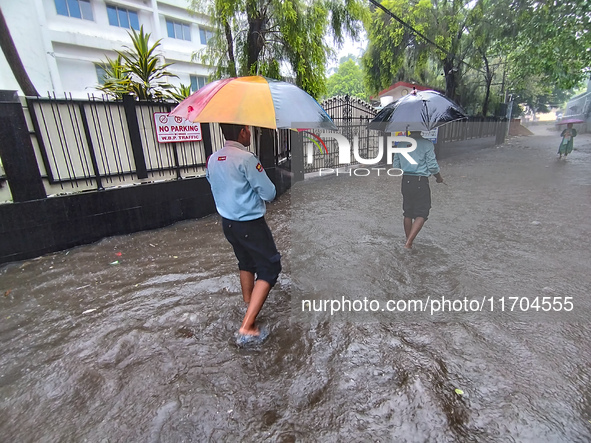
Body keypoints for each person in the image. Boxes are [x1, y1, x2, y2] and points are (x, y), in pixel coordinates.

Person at [206, 123, 281, 346]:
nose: (249, 133)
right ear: (241, 132)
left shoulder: (213, 158)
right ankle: (247, 326)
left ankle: (248, 305)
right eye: (247, 129)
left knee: (246, 262)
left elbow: (213, 183)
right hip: (250, 224)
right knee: (270, 268)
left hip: (228, 224)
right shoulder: (246, 159)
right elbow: (269, 193)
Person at [392, 130, 444, 249]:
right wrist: (439, 178)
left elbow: (396, 166)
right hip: (420, 181)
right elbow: (432, 166)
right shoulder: (427, 144)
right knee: (422, 213)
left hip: (406, 181)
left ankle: (408, 241)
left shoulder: (400, 144)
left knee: (408, 212)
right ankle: (409, 243)